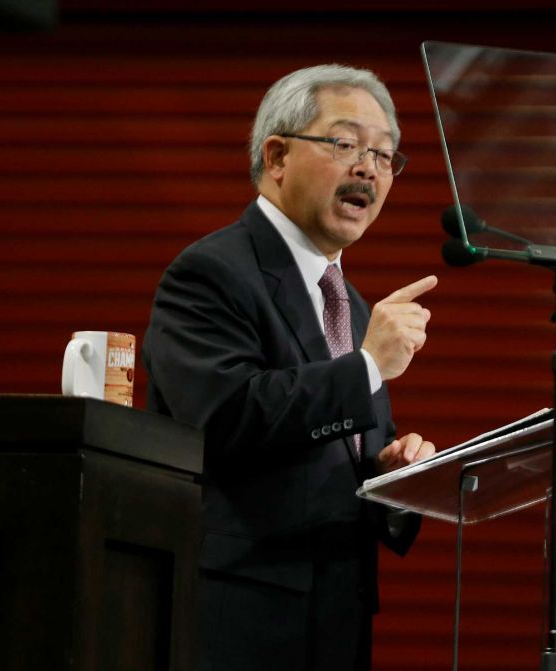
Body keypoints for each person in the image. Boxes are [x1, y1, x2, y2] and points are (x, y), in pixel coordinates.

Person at [142, 64, 437, 671]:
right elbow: (223, 419)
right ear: (276, 155)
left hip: (337, 619)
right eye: (345, 144)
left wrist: (393, 476)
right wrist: (365, 369)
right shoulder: (211, 273)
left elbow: (332, 448)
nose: (369, 169)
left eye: (385, 156)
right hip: (238, 617)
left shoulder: (352, 305)